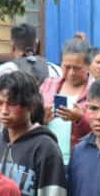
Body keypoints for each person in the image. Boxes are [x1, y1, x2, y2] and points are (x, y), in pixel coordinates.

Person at [0, 23, 61, 124]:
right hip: (48, 132)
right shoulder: (55, 70)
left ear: (12, 46)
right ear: (36, 45)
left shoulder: (4, 71)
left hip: (13, 133)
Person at [39, 35, 93, 165]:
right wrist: (41, 119)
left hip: (81, 161)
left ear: (88, 66)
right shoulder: (48, 85)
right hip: (47, 158)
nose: (71, 72)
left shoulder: (96, 91)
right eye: (67, 67)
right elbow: (31, 119)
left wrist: (80, 119)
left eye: (77, 68)